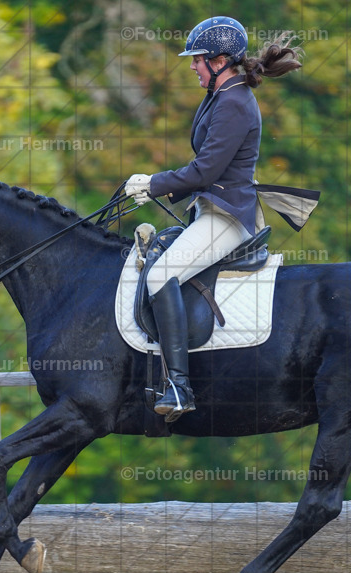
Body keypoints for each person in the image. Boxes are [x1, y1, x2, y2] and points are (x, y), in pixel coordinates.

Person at [126, 16, 304, 422]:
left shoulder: (236, 102)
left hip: (227, 217)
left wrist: (153, 183)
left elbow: (204, 171)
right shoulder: (222, 94)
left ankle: (179, 387)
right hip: (210, 209)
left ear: (221, 60)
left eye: (198, 60)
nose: (192, 66)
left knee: (159, 275)